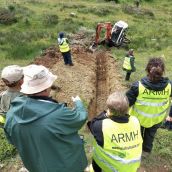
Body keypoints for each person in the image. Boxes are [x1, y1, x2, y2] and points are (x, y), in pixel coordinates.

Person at [4, 64, 88, 172]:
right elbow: (80, 118)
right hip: (65, 166)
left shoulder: (11, 113)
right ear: (47, 87)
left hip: (35, 165)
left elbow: (12, 139)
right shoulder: (58, 114)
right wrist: (79, 103)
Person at [126, 57, 172, 156]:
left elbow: (126, 103)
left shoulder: (138, 86)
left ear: (147, 69)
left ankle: (136, 151)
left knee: (137, 135)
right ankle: (146, 151)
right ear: (162, 71)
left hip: (138, 119)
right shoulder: (169, 86)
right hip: (156, 119)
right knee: (150, 135)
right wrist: (170, 115)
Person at [87, 91, 142, 172]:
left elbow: (92, 124)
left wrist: (105, 115)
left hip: (111, 167)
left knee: (97, 154)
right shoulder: (135, 121)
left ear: (110, 110)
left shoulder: (101, 126)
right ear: (127, 109)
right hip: (132, 167)